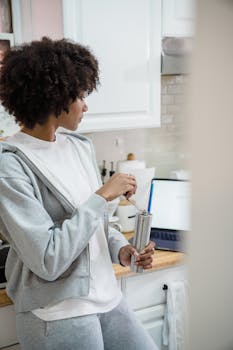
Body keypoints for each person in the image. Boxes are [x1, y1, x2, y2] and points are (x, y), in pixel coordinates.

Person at [0, 37, 158, 350]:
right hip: (57, 314)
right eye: (81, 94)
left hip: (109, 299)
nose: (85, 104)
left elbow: (97, 225)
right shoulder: (10, 164)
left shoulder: (79, 147)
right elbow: (48, 258)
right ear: (54, 96)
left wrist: (122, 249)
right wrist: (102, 196)